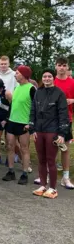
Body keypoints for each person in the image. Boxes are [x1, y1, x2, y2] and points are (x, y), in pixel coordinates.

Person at [30, 68, 69, 199]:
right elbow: (33, 111)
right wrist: (32, 129)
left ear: (53, 78)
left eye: (49, 77)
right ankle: (42, 185)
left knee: (50, 160)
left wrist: (62, 133)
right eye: (44, 76)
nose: (47, 79)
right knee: (41, 159)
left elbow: (63, 114)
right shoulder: (38, 92)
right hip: (39, 130)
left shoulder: (59, 93)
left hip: (52, 130)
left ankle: (53, 188)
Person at [2, 65, 35, 185]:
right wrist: (7, 119)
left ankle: (25, 173)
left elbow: (35, 107)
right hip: (12, 121)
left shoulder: (31, 89)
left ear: (24, 75)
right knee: (10, 146)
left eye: (17, 73)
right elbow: (12, 105)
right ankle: (11, 171)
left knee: (24, 148)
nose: (15, 75)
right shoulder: (16, 88)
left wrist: (30, 123)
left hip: (23, 123)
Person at [51, 57, 74, 189]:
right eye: (59, 65)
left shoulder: (72, 82)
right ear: (55, 66)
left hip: (66, 119)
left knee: (65, 149)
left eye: (64, 65)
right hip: (51, 120)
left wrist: (72, 100)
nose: (61, 68)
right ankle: (48, 174)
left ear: (67, 67)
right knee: (51, 148)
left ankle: (66, 177)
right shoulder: (51, 81)